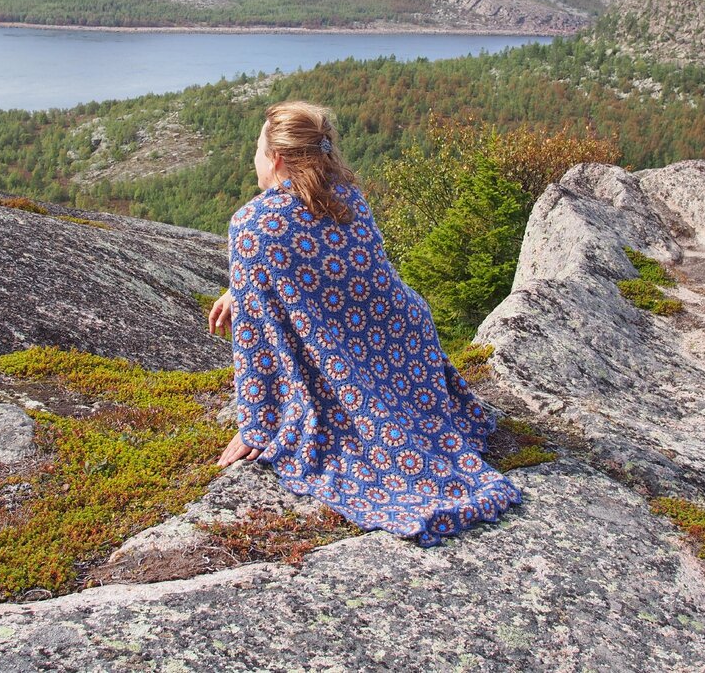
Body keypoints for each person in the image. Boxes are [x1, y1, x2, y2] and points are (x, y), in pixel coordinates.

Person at [207, 100, 522, 547]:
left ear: (276, 158)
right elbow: (338, 275)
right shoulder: (348, 197)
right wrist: (240, 285)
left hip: (354, 365)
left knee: (354, 444)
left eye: (257, 151)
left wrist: (256, 425)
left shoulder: (253, 224)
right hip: (407, 346)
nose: (252, 160)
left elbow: (258, 342)